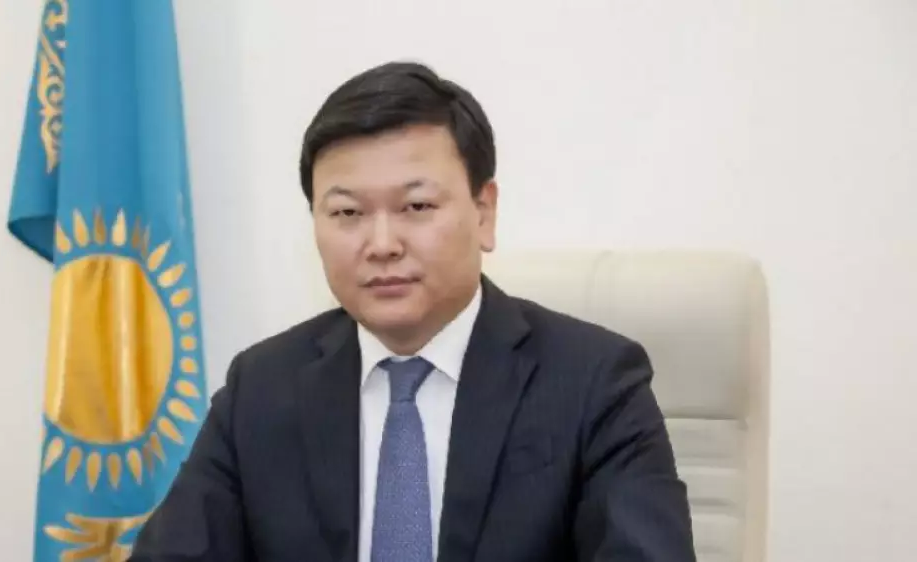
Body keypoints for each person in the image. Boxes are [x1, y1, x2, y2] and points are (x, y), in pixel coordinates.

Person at [130, 61, 696, 562]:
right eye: (347, 213)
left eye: (416, 206)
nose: (381, 244)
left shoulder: (595, 383)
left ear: (483, 212)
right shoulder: (260, 390)